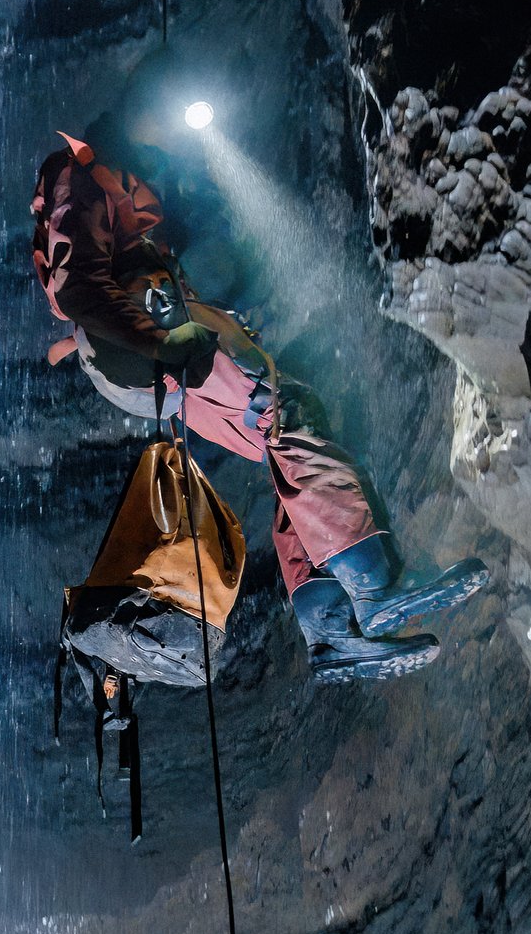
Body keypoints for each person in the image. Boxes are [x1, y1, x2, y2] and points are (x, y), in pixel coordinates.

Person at [32, 132, 488, 684]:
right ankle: (377, 586)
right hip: (146, 340)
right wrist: (160, 340)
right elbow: (79, 288)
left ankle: (333, 632)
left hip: (150, 354)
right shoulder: (85, 174)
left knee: (286, 443)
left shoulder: (111, 199)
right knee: (284, 411)